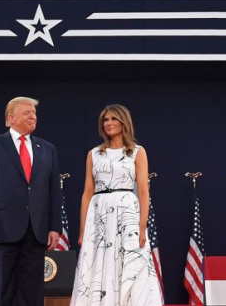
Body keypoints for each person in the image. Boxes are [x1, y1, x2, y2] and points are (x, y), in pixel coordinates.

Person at [0, 97, 62, 306]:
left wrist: (54, 227)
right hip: (1, 231)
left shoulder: (47, 149)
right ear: (10, 118)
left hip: (36, 230)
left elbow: (53, 192)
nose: (33, 117)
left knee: (32, 294)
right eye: (27, 113)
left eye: (34, 113)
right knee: (1, 291)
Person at [71, 104, 162, 306]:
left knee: (129, 265)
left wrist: (141, 226)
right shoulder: (93, 154)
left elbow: (144, 192)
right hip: (99, 214)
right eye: (105, 120)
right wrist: (83, 229)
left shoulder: (137, 152)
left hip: (127, 213)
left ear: (124, 122)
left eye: (113, 119)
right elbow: (87, 193)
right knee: (97, 266)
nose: (109, 123)